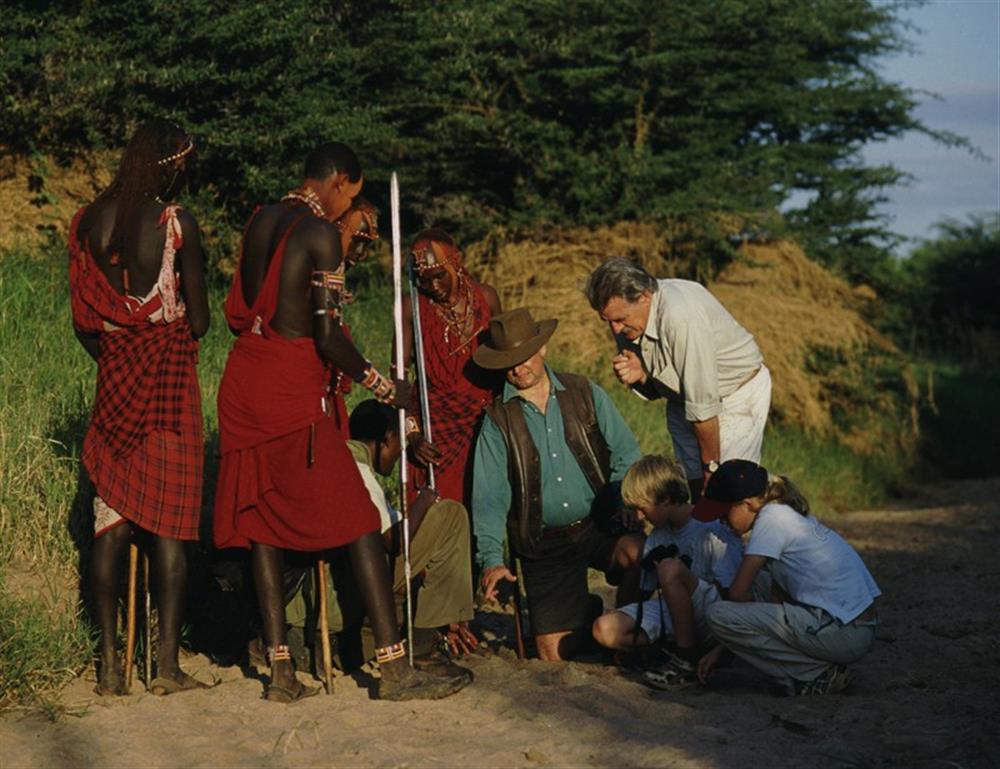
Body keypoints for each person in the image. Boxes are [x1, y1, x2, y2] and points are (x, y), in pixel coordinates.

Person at [213, 141, 466, 702]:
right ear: (341, 181)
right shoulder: (320, 232)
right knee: (356, 519)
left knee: (261, 522)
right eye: (351, 194)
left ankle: (280, 672)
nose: (349, 208)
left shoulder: (260, 219)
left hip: (244, 386)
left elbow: (247, 312)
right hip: (290, 393)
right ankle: (396, 671)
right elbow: (325, 337)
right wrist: (387, 388)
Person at [68, 119, 210, 696]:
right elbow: (197, 319)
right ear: (171, 164)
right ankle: (167, 668)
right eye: (184, 162)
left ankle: (108, 668)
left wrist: (118, 354)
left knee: (111, 523)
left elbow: (84, 321)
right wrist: (162, 333)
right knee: (171, 527)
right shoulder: (177, 225)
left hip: (115, 387)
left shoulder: (89, 224)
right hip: (170, 389)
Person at [471, 308, 645, 661]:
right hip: (543, 541)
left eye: (523, 358)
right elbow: (489, 496)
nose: (518, 369)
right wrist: (491, 558)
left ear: (543, 349)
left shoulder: (583, 391)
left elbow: (627, 454)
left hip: (599, 523)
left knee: (639, 552)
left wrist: (623, 503)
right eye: (509, 363)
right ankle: (585, 613)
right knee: (553, 655)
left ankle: (625, 622)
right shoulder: (496, 420)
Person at [585, 258, 771, 510]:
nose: (615, 330)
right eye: (607, 321)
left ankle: (740, 542)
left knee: (726, 491)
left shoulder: (681, 315)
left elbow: (703, 405)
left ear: (644, 296)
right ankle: (702, 538)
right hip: (682, 399)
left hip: (735, 394)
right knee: (694, 489)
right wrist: (641, 376)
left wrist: (711, 468)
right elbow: (659, 389)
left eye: (620, 319)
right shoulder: (627, 320)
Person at [698, 460, 881, 695]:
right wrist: (724, 647)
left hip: (845, 632)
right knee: (755, 581)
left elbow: (737, 594)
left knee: (719, 614)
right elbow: (776, 598)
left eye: (723, 514)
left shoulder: (771, 520)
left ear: (746, 504)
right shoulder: (784, 514)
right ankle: (814, 667)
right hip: (853, 626)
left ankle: (816, 674)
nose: (721, 522)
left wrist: (730, 636)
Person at [346, 399, 478, 673]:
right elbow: (393, 540)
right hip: (357, 576)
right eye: (399, 445)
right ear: (387, 438)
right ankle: (424, 647)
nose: (399, 455)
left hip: (352, 579)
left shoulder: (349, 464)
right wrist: (424, 500)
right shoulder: (357, 470)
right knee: (451, 515)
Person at [591, 455, 743, 687]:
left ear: (665, 500)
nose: (641, 517)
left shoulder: (713, 528)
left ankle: (686, 659)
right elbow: (643, 592)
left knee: (670, 568)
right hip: (678, 617)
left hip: (715, 613)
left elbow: (733, 593)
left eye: (643, 509)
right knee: (604, 629)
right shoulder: (657, 535)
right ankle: (670, 650)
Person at [399, 229, 502, 506]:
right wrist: (412, 433)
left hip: (485, 424)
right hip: (436, 431)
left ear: (456, 264)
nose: (432, 286)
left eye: (439, 276)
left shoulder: (486, 298)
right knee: (436, 515)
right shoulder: (412, 308)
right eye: (424, 280)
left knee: (482, 509)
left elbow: (505, 359)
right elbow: (398, 379)